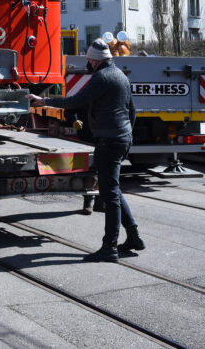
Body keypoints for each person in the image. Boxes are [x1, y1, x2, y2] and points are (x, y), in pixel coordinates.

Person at [30, 40, 142, 262]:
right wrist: (126, 135)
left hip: (109, 141)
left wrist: (45, 101)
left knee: (109, 195)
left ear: (93, 60)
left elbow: (76, 101)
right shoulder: (120, 75)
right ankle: (134, 237)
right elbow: (132, 110)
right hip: (122, 138)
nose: (87, 64)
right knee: (114, 189)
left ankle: (109, 248)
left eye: (88, 61)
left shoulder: (101, 77)